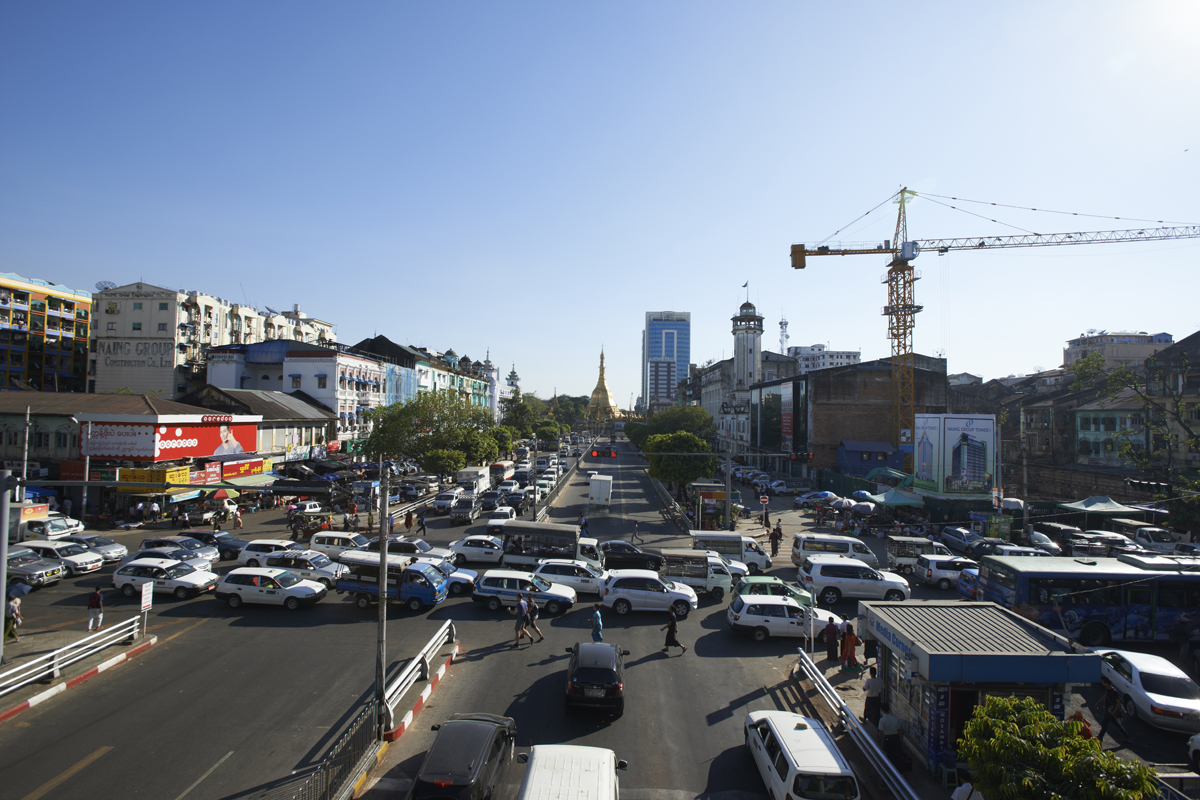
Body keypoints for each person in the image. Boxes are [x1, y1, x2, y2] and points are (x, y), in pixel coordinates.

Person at [1096, 676, 1133, 746]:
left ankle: (1100, 738)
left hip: (1110, 711)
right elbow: (1105, 696)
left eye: (1103, 682)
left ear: (1106, 683)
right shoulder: (1107, 690)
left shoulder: (1114, 692)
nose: (1102, 683)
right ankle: (1127, 737)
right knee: (1116, 724)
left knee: (1104, 724)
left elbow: (1118, 703)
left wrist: (1113, 712)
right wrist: (1098, 703)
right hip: (1109, 710)